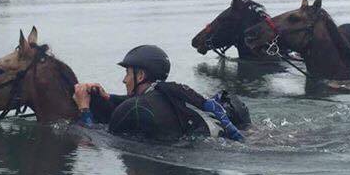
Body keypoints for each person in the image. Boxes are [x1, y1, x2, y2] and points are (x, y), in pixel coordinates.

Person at [72, 45, 246, 141]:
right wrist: (104, 97)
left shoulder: (134, 108)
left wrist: (84, 108)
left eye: (127, 73)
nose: (124, 80)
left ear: (140, 75)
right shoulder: (169, 91)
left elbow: (95, 137)